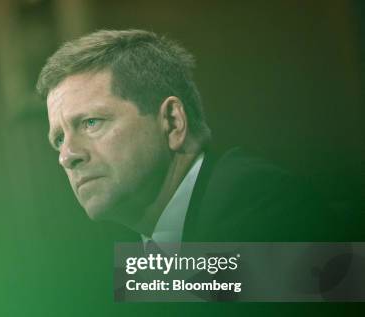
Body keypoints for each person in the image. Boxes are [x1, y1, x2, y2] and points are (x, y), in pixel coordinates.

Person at [36, 29, 336, 243]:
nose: (67, 156)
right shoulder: (122, 250)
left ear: (172, 121)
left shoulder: (257, 204)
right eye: (59, 139)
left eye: (90, 123)